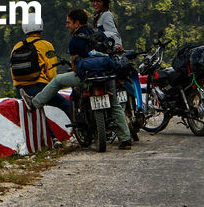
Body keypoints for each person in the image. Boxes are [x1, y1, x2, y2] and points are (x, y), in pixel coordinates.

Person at [21, 8, 132, 149]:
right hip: (106, 75)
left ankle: (34, 103)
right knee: (115, 104)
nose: (67, 26)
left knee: (58, 80)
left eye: (69, 23)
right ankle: (125, 139)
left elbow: (74, 67)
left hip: (87, 77)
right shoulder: (99, 34)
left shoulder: (75, 41)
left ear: (77, 23)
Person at [10, 20, 69, 118]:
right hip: (40, 89)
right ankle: (82, 132)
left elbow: (13, 71)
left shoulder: (17, 46)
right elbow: (51, 73)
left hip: (20, 91)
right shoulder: (46, 45)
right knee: (67, 105)